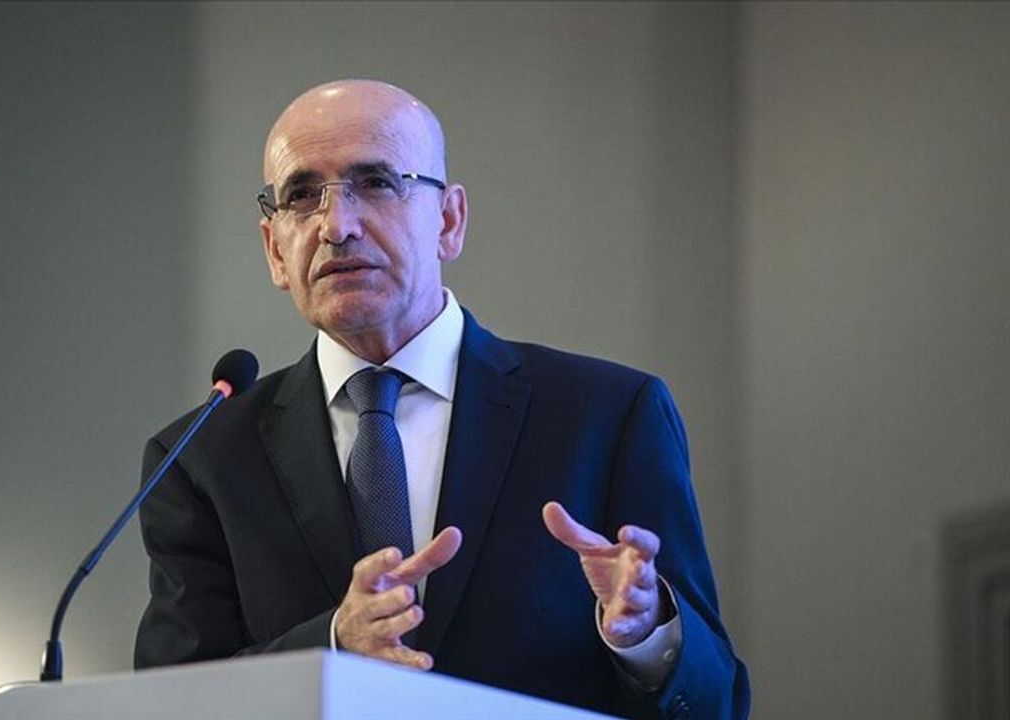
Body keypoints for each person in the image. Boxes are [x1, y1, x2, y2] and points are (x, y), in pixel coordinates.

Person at [134, 79, 749, 719]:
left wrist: (649, 635)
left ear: (448, 222)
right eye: (302, 196)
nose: (337, 226)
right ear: (274, 250)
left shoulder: (607, 416)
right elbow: (171, 702)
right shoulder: (202, 459)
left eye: (377, 183)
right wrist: (334, 646)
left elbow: (719, 702)